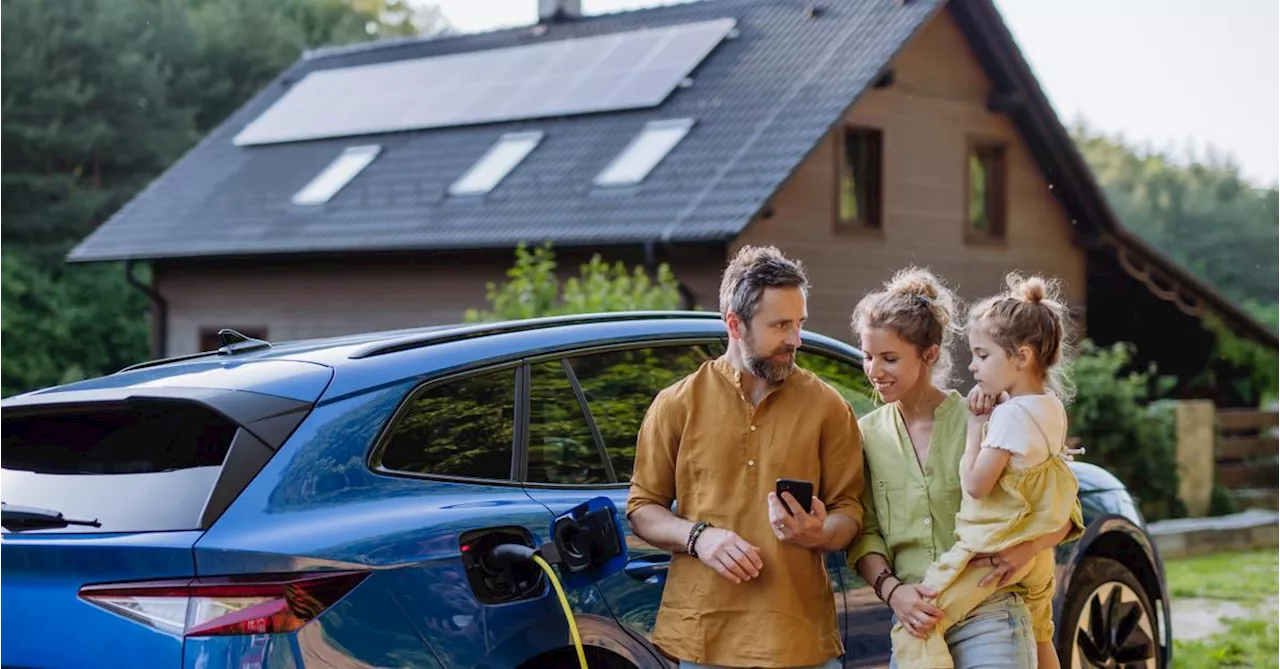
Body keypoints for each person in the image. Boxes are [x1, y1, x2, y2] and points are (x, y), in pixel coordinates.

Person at [626, 245, 865, 669]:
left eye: (799, 324)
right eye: (780, 326)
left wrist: (817, 533)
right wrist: (700, 537)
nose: (795, 339)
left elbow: (849, 511)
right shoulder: (677, 404)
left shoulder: (828, 407)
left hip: (800, 640)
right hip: (704, 639)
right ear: (734, 324)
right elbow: (643, 509)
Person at [847, 267, 1084, 669]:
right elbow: (865, 533)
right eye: (868, 357)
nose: (874, 370)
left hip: (989, 609)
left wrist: (1022, 551)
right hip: (916, 624)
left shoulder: (988, 417)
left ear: (930, 354)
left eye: (889, 358)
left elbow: (1059, 509)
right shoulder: (866, 436)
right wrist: (893, 593)